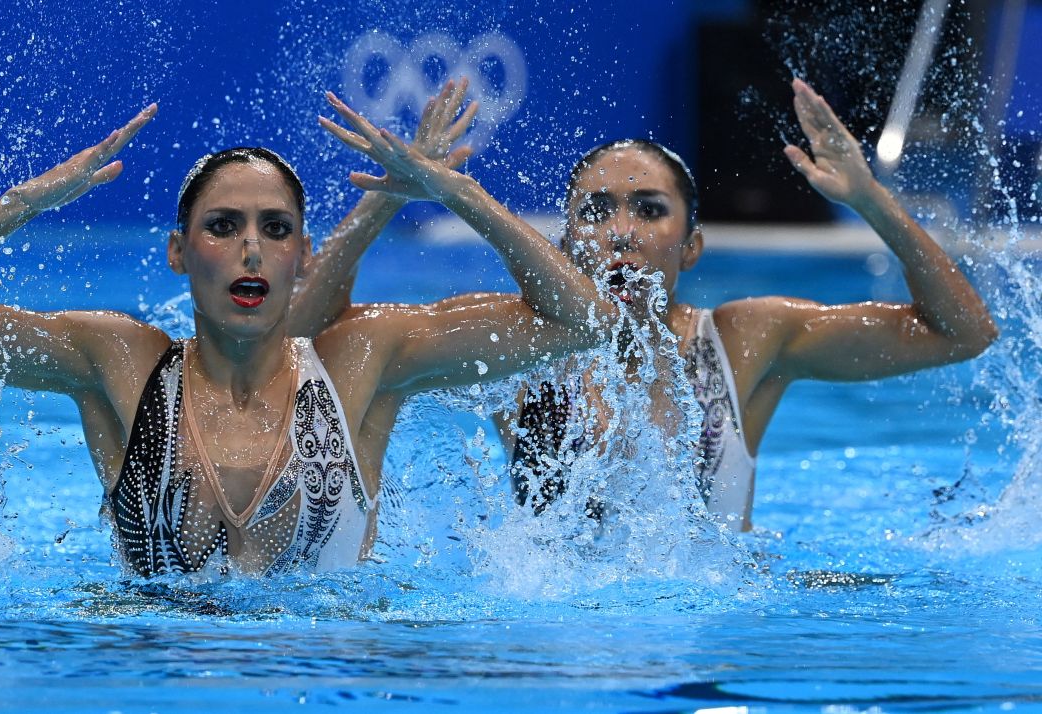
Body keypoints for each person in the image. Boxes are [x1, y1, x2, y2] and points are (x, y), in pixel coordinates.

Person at [0, 86, 617, 577]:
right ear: (179, 252)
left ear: (302, 257)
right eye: (223, 227)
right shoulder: (121, 360)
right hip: (149, 675)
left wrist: (454, 192)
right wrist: (22, 203)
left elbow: (584, 323)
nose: (251, 247)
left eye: (275, 228)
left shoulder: (361, 358)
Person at [296, 78, 999, 533]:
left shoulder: (744, 341)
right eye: (598, 211)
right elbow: (308, 348)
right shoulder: (513, 336)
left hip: (709, 641)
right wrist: (390, 192)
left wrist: (871, 199)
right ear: (566, 242)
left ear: (691, 247)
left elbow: (962, 333)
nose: (623, 231)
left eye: (650, 210)